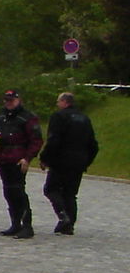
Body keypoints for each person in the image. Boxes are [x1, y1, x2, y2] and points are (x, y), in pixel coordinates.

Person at [39, 92, 98, 234]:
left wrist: (45, 158)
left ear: (64, 102)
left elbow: (53, 140)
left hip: (61, 160)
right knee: (70, 193)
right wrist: (86, 161)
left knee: (51, 189)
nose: (57, 104)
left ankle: (62, 215)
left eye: (58, 101)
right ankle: (69, 224)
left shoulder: (58, 117)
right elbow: (93, 145)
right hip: (79, 161)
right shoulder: (84, 118)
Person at [0, 89, 44, 239]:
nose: (8, 103)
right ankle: (15, 223)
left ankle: (27, 226)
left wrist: (28, 158)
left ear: (18, 100)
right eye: (6, 100)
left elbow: (36, 140)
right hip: (3, 158)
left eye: (11, 100)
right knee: (8, 192)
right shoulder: (1, 116)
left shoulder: (27, 117)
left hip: (18, 159)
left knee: (18, 191)